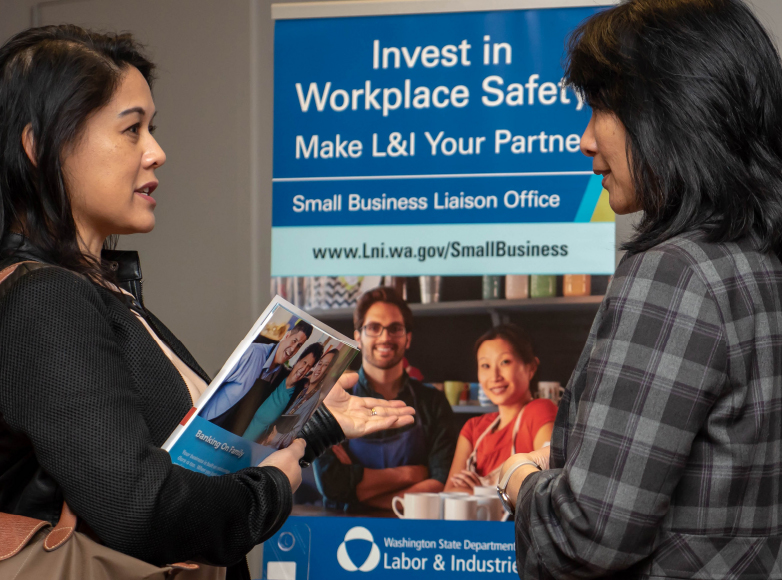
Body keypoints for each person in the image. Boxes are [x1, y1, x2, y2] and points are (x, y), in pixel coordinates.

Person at [0, 26, 414, 579]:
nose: (157, 153)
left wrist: (308, 427)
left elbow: (193, 462)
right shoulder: (42, 302)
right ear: (39, 146)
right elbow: (142, 508)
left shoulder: (95, 290)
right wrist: (273, 489)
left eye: (153, 129)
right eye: (131, 131)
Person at [495, 1, 782, 577]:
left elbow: (589, 536)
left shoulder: (676, 274)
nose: (584, 139)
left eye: (603, 107)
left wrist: (519, 481)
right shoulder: (759, 262)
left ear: (671, 111)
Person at [315, 287, 457, 511]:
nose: (385, 337)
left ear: (407, 338)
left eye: (395, 328)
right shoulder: (333, 399)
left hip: (412, 536)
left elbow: (441, 483)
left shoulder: (434, 403)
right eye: (373, 328)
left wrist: (359, 493)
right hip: (342, 533)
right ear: (358, 337)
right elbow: (333, 485)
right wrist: (411, 474)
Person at [444, 324, 556, 491]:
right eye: (485, 366)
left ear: (531, 367)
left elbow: (545, 490)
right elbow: (448, 495)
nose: (494, 376)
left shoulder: (540, 411)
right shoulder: (473, 428)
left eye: (505, 362)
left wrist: (478, 492)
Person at [199, 319, 313, 423]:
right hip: (209, 420)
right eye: (294, 341)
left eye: (299, 346)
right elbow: (213, 384)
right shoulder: (253, 352)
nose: (293, 349)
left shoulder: (279, 373)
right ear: (286, 336)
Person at [242, 342, 324, 442]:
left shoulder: (298, 393)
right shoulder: (278, 373)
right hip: (240, 429)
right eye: (304, 362)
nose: (304, 369)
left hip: (259, 443)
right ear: (298, 361)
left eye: (308, 367)